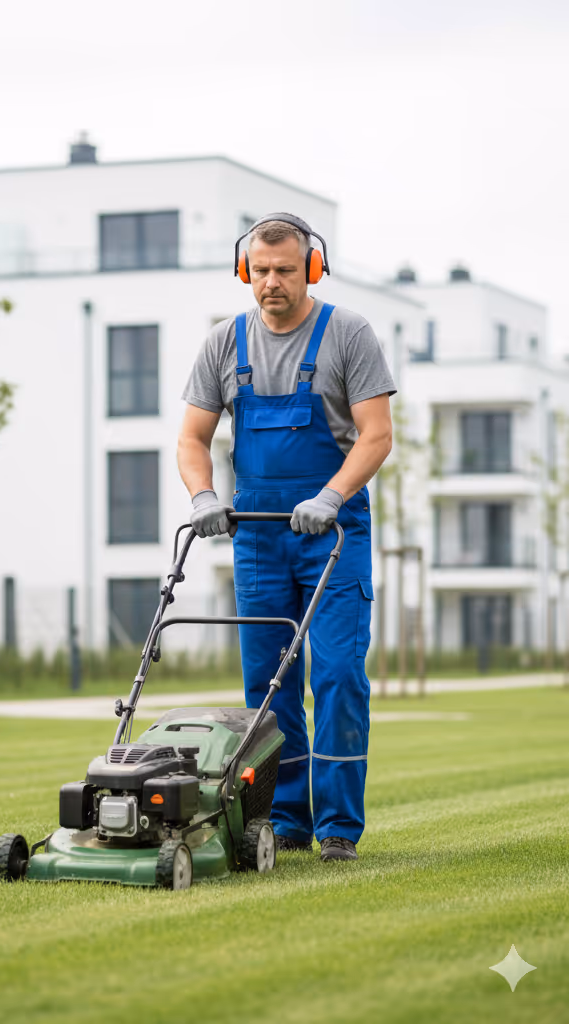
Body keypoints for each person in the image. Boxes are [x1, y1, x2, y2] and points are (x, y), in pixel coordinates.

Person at [177, 213, 394, 861]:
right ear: (246, 271)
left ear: (312, 269)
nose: (272, 283)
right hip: (259, 537)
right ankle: (283, 818)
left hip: (333, 534)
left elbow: (376, 435)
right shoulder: (224, 342)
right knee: (266, 682)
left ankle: (336, 828)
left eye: (286, 271)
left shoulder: (347, 334)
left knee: (336, 676)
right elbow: (192, 438)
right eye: (261, 271)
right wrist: (205, 496)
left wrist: (332, 495)